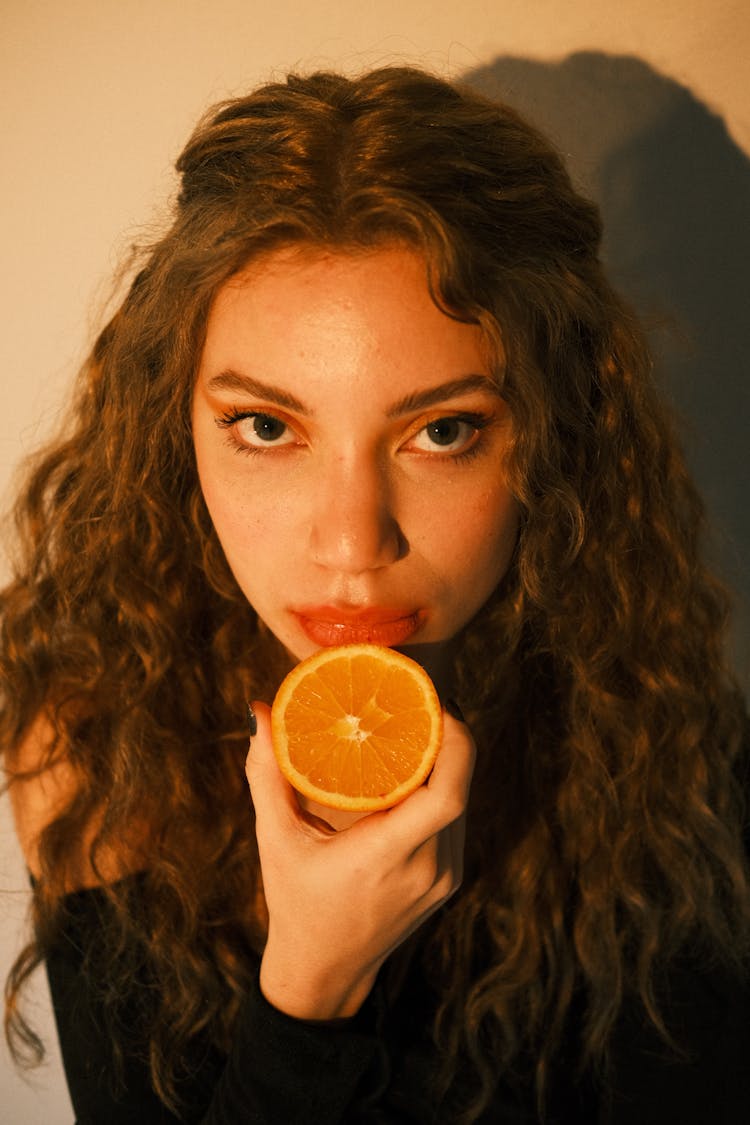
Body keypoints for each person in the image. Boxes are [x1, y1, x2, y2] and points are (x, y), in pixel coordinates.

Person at [2, 66, 749, 1125]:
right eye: (268, 428)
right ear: (177, 432)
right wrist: (310, 996)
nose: (354, 544)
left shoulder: (653, 716)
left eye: (442, 432)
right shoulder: (93, 738)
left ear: (552, 432)